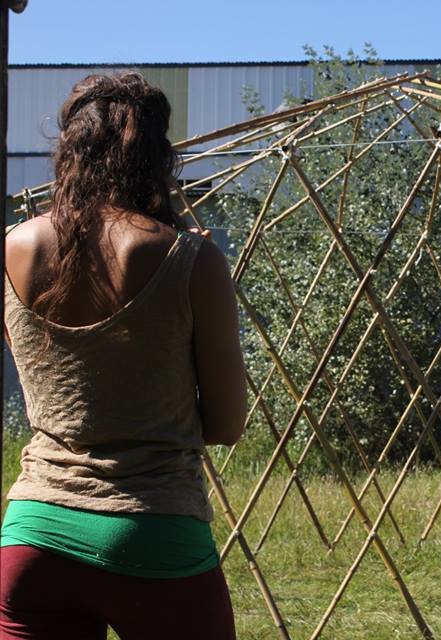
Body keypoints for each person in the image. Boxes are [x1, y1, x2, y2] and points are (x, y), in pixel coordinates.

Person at [0, 72, 246, 639]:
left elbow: (37, 368)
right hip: (152, 530)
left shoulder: (14, 248)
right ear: (158, 157)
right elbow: (227, 425)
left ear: (69, 150)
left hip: (34, 535)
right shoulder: (189, 259)